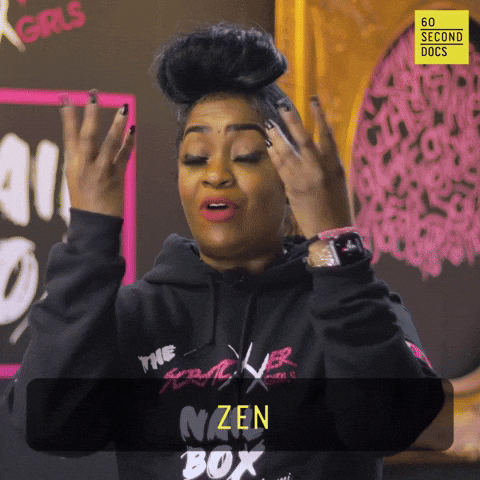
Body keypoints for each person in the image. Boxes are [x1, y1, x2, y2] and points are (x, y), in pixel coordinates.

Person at [2, 23, 446, 480]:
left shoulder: (355, 305)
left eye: (246, 155)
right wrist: (89, 241)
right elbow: (48, 426)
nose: (215, 174)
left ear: (290, 177)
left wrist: (334, 245)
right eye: (196, 157)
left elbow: (390, 425)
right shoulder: (135, 316)